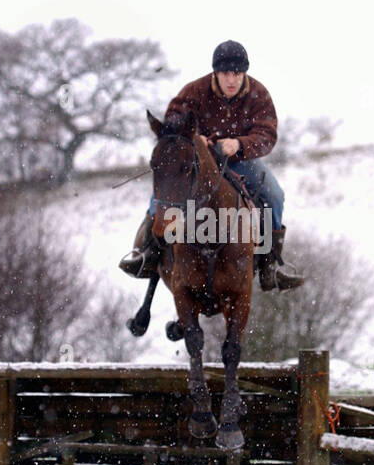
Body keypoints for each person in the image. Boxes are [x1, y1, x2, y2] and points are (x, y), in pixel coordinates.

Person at [120, 39, 305, 291]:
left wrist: (239, 144)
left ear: (245, 73)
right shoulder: (194, 91)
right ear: (215, 73)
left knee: (275, 194)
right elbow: (173, 124)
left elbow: (267, 135)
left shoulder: (259, 95)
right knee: (165, 191)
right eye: (226, 73)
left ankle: (271, 264)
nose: (232, 79)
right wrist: (195, 139)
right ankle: (147, 253)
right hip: (198, 162)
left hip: (240, 162)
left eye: (237, 73)